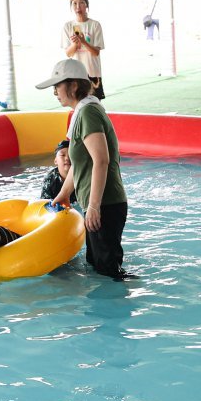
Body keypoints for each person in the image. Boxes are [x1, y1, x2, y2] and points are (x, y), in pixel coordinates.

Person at [36, 58, 130, 279]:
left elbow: (101, 160)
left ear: (74, 85)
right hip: (99, 204)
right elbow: (79, 164)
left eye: (57, 86)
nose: (54, 92)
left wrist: (94, 206)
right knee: (98, 267)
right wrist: (62, 195)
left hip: (105, 204)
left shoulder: (88, 113)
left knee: (108, 273)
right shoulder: (81, 112)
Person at [61, 0, 105, 100]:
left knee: (95, 105)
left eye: (81, 3)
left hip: (93, 74)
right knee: (78, 105)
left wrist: (84, 42)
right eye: (74, 3)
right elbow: (68, 53)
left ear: (86, 5)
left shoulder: (95, 25)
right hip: (76, 75)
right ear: (71, 7)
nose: (78, 6)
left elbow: (96, 52)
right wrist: (76, 44)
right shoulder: (68, 26)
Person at [39, 140, 76, 205]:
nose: (67, 158)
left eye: (71, 154)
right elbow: (45, 205)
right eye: (62, 155)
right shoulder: (50, 179)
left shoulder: (82, 176)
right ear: (56, 161)